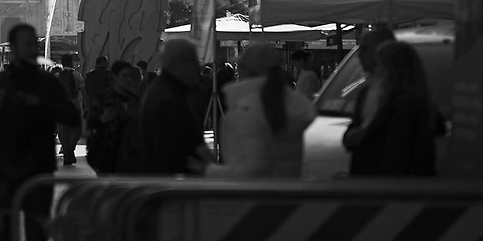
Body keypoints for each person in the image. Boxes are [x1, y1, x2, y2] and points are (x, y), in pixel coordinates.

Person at [0, 24, 81, 241]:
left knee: (37, 232)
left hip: (37, 169)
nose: (33, 48)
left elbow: (72, 116)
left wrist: (40, 104)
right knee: (2, 232)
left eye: (34, 43)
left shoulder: (46, 82)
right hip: (5, 169)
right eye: (27, 44)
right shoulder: (0, 82)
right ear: (14, 47)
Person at [206, 44, 316, 177]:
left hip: (256, 189)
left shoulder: (249, 108)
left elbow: (255, 169)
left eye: (240, 66)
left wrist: (210, 170)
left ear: (248, 70)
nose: (238, 70)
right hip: (287, 186)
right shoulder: (287, 102)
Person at [344, 40, 445, 176]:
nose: (378, 71)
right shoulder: (393, 99)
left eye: (381, 65)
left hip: (392, 184)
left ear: (394, 70)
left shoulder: (407, 105)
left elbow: (396, 154)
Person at [131, 39, 212, 175]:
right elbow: (178, 151)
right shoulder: (168, 99)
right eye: (194, 62)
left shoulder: (165, 91)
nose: (198, 68)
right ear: (179, 64)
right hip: (173, 181)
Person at [340, 26, 395, 175]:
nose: (359, 55)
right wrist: (350, 137)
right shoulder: (365, 91)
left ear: (382, 50)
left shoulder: (403, 94)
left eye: (364, 49)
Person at [87, 60, 143, 174]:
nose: (128, 79)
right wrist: (103, 120)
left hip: (130, 157)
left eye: (131, 76)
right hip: (107, 155)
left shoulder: (136, 101)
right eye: (125, 76)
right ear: (115, 77)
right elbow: (91, 124)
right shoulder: (103, 99)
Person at [54, 54, 86, 165]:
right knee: (77, 131)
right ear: (71, 62)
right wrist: (88, 107)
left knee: (63, 133)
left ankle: (67, 152)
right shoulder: (77, 75)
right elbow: (83, 92)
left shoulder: (57, 76)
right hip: (75, 107)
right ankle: (69, 150)